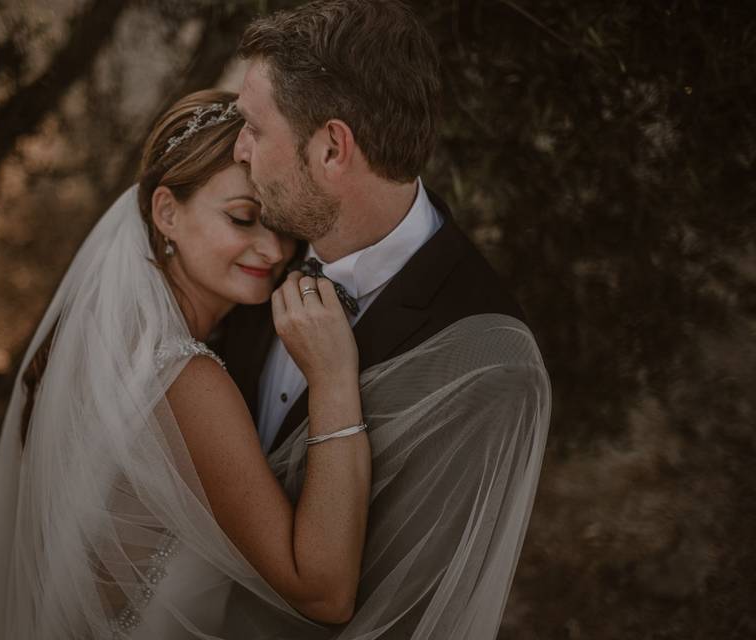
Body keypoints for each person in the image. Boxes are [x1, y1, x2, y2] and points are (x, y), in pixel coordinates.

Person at [0, 89, 374, 639]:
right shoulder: (184, 378)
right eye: (243, 218)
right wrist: (333, 380)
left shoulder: (112, 347)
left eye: (281, 225)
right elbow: (323, 591)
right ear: (167, 212)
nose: (274, 251)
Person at [216, 0, 552, 637]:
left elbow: (414, 614)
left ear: (332, 150)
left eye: (256, 131)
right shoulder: (254, 251)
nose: (239, 152)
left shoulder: (490, 365)